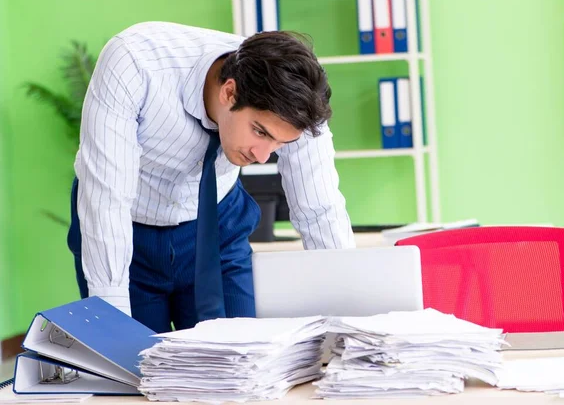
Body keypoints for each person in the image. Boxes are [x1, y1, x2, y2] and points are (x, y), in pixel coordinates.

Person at [67, 21, 354, 333]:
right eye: (260, 131)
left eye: (280, 144)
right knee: (138, 371)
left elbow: (320, 208)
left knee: (242, 359)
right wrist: (114, 331)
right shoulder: (135, 63)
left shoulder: (298, 100)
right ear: (229, 92)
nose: (262, 157)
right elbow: (107, 199)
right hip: (128, 231)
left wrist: (350, 322)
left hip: (218, 224)